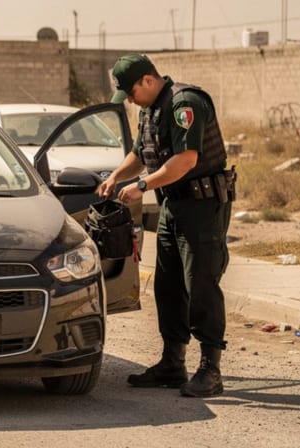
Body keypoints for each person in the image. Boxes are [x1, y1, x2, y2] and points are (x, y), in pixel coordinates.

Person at [98, 54, 235, 398]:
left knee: (201, 284)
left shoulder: (184, 103)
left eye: (131, 93)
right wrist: (116, 177)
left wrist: (142, 185)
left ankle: (211, 370)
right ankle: (173, 363)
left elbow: (186, 160)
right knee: (168, 285)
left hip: (202, 207)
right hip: (172, 205)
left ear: (148, 80)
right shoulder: (150, 110)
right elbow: (140, 154)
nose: (130, 101)